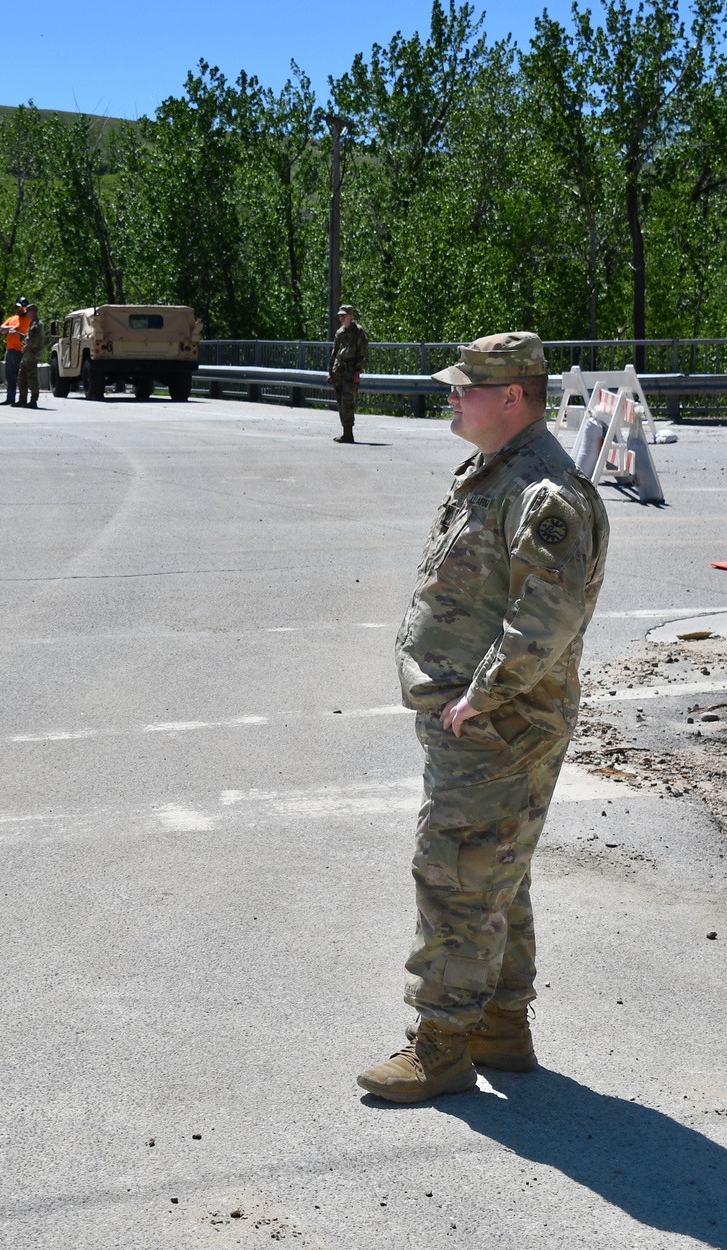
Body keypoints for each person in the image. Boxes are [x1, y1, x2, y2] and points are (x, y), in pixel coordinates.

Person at [357, 331, 609, 1104]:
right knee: (497, 869)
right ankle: (501, 1025)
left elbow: (548, 616)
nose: (452, 395)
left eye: (467, 386)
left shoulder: (545, 493)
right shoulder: (496, 473)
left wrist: (481, 696)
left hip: (498, 725)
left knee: (457, 874)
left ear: (512, 398)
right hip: (482, 721)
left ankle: (440, 1046)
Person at [327, 304, 369, 443]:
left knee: (347, 402)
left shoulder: (358, 332)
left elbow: (363, 354)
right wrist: (330, 372)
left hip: (350, 372)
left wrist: (357, 371)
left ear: (351, 316)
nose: (342, 317)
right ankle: (345, 432)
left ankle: (348, 433)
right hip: (338, 372)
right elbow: (335, 353)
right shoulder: (339, 333)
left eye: (344, 315)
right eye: (340, 315)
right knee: (340, 402)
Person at [0, 297, 31, 406]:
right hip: (10, 350)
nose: (19, 309)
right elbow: (1, 329)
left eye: (21, 307)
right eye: (18, 307)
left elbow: (31, 336)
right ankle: (10, 398)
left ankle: (23, 399)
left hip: (21, 351)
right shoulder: (12, 318)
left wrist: (18, 332)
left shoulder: (29, 320)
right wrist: (10, 328)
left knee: (21, 376)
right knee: (10, 376)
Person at [15, 303, 45, 408]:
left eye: (28, 311)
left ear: (32, 311)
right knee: (22, 377)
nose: (26, 314)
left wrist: (25, 347)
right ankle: (22, 399)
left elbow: (34, 341)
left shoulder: (36, 325)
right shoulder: (32, 324)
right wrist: (20, 335)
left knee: (32, 377)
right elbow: (29, 338)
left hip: (32, 355)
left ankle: (33, 401)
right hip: (27, 356)